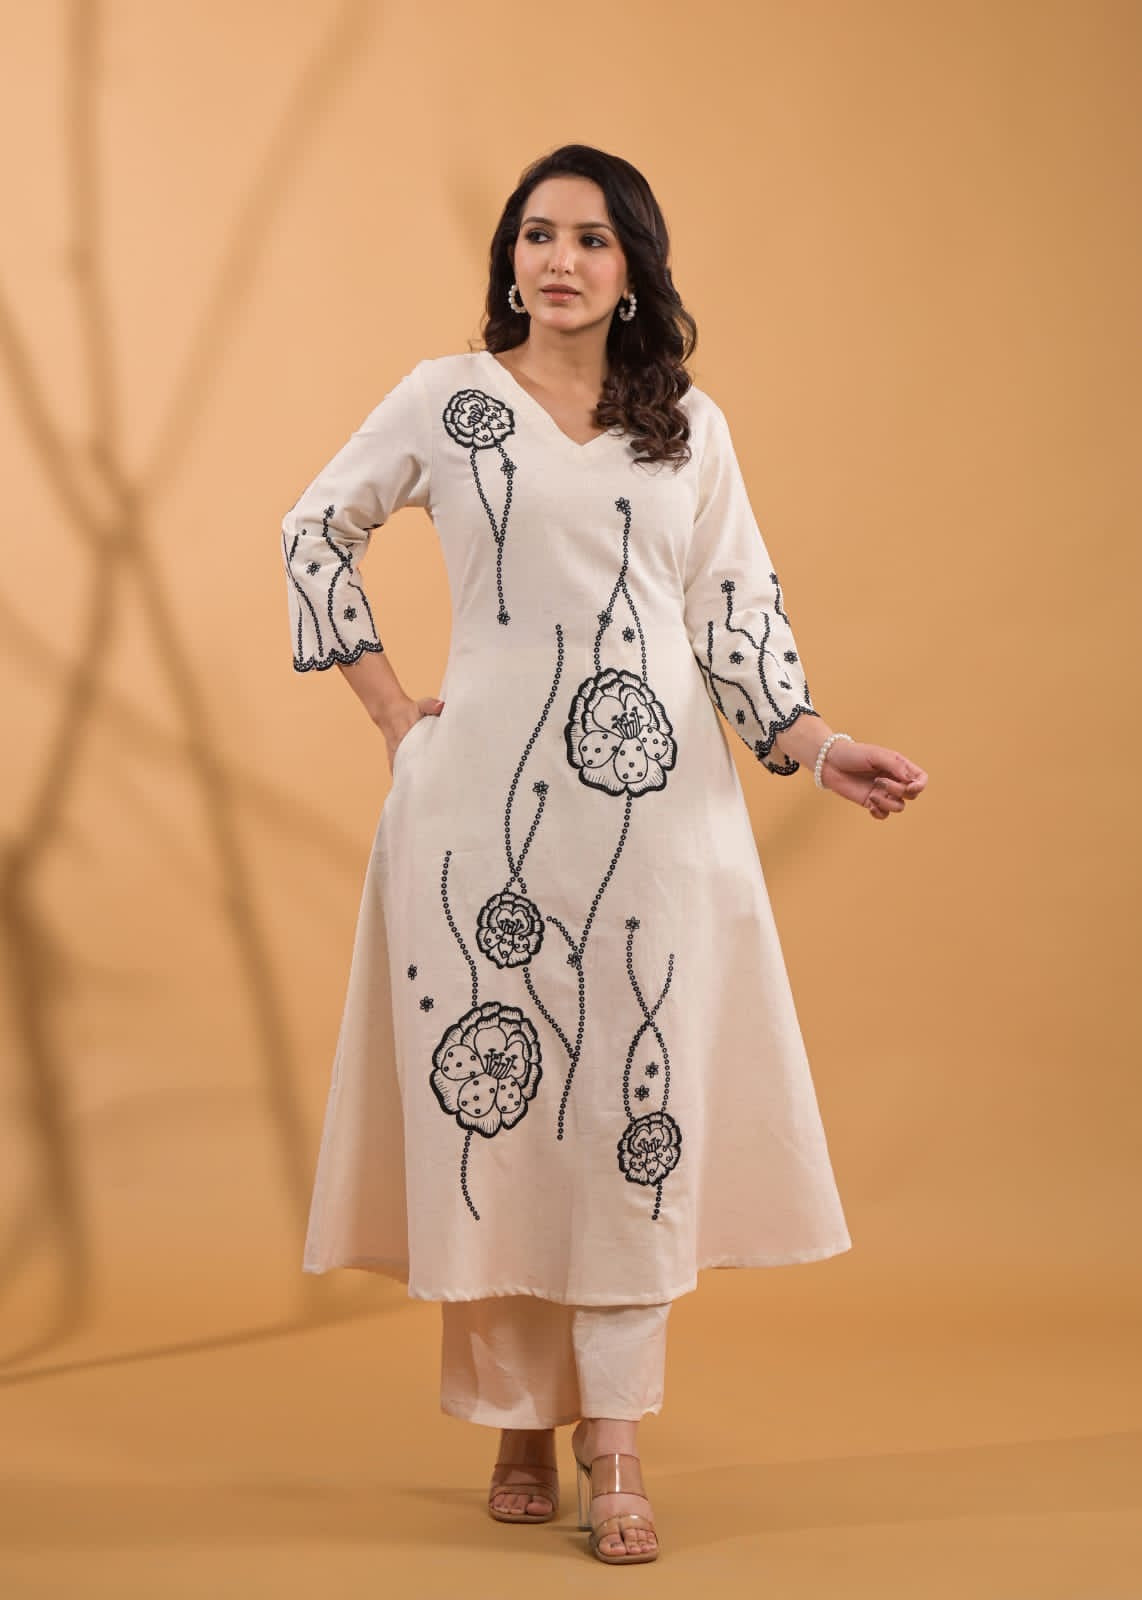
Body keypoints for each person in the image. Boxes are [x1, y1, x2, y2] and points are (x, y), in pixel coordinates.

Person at [280, 142, 928, 1566]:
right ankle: (516, 1420)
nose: (558, 260)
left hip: (657, 819)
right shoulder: (446, 401)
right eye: (536, 235)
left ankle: (616, 1434)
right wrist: (389, 711)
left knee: (637, 1099)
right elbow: (314, 529)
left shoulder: (684, 426)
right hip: (479, 816)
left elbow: (733, 612)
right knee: (500, 1112)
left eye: (589, 238)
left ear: (633, 268)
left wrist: (818, 746)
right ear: (508, 258)